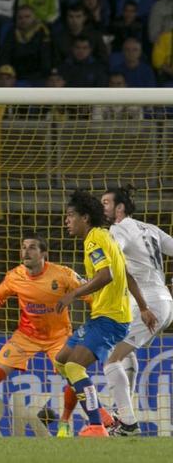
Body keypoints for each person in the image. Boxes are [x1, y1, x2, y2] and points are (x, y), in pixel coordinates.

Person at [0, 233, 81, 437]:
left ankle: (64, 423)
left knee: (74, 378)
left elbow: (90, 294)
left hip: (59, 336)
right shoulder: (14, 276)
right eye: (23, 247)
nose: (26, 252)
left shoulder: (63, 274)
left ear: (44, 254)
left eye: (32, 247)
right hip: (26, 336)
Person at [54, 190, 157, 437]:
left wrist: (73, 294)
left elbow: (106, 275)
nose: (67, 220)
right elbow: (126, 274)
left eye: (71, 215)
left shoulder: (94, 240)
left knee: (74, 367)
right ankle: (104, 417)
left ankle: (97, 427)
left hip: (109, 318)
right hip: (106, 316)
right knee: (61, 362)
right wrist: (143, 307)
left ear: (85, 218)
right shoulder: (107, 236)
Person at [101, 187, 173, 436]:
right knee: (122, 352)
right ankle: (123, 416)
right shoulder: (150, 228)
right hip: (164, 301)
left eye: (106, 202)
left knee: (111, 360)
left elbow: (116, 262)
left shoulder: (118, 229)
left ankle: (128, 423)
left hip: (149, 303)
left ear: (120, 208)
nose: (103, 207)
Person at [0, 5, 52, 85]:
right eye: (20, 18)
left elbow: (46, 59)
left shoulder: (43, 32)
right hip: (15, 75)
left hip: (37, 76)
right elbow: (5, 55)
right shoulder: (12, 32)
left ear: (34, 18)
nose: (23, 20)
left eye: (27, 17)